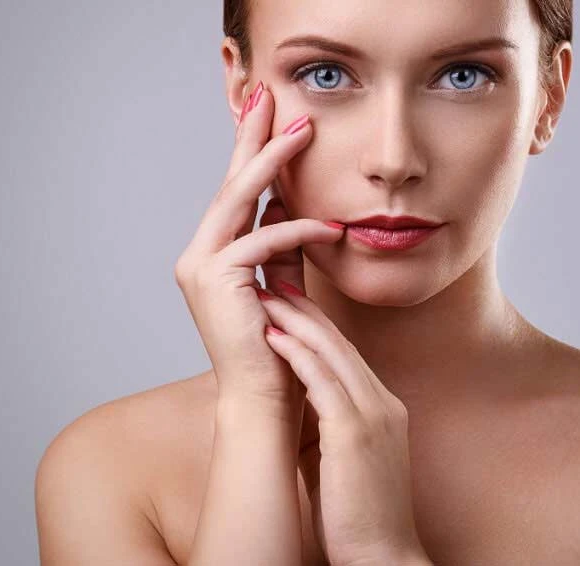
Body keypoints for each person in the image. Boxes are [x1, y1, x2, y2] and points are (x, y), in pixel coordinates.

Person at [35, 0, 576, 563]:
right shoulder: (112, 471)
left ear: (548, 99)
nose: (393, 160)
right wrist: (256, 416)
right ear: (244, 90)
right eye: (326, 74)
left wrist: (381, 553)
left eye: (463, 76)